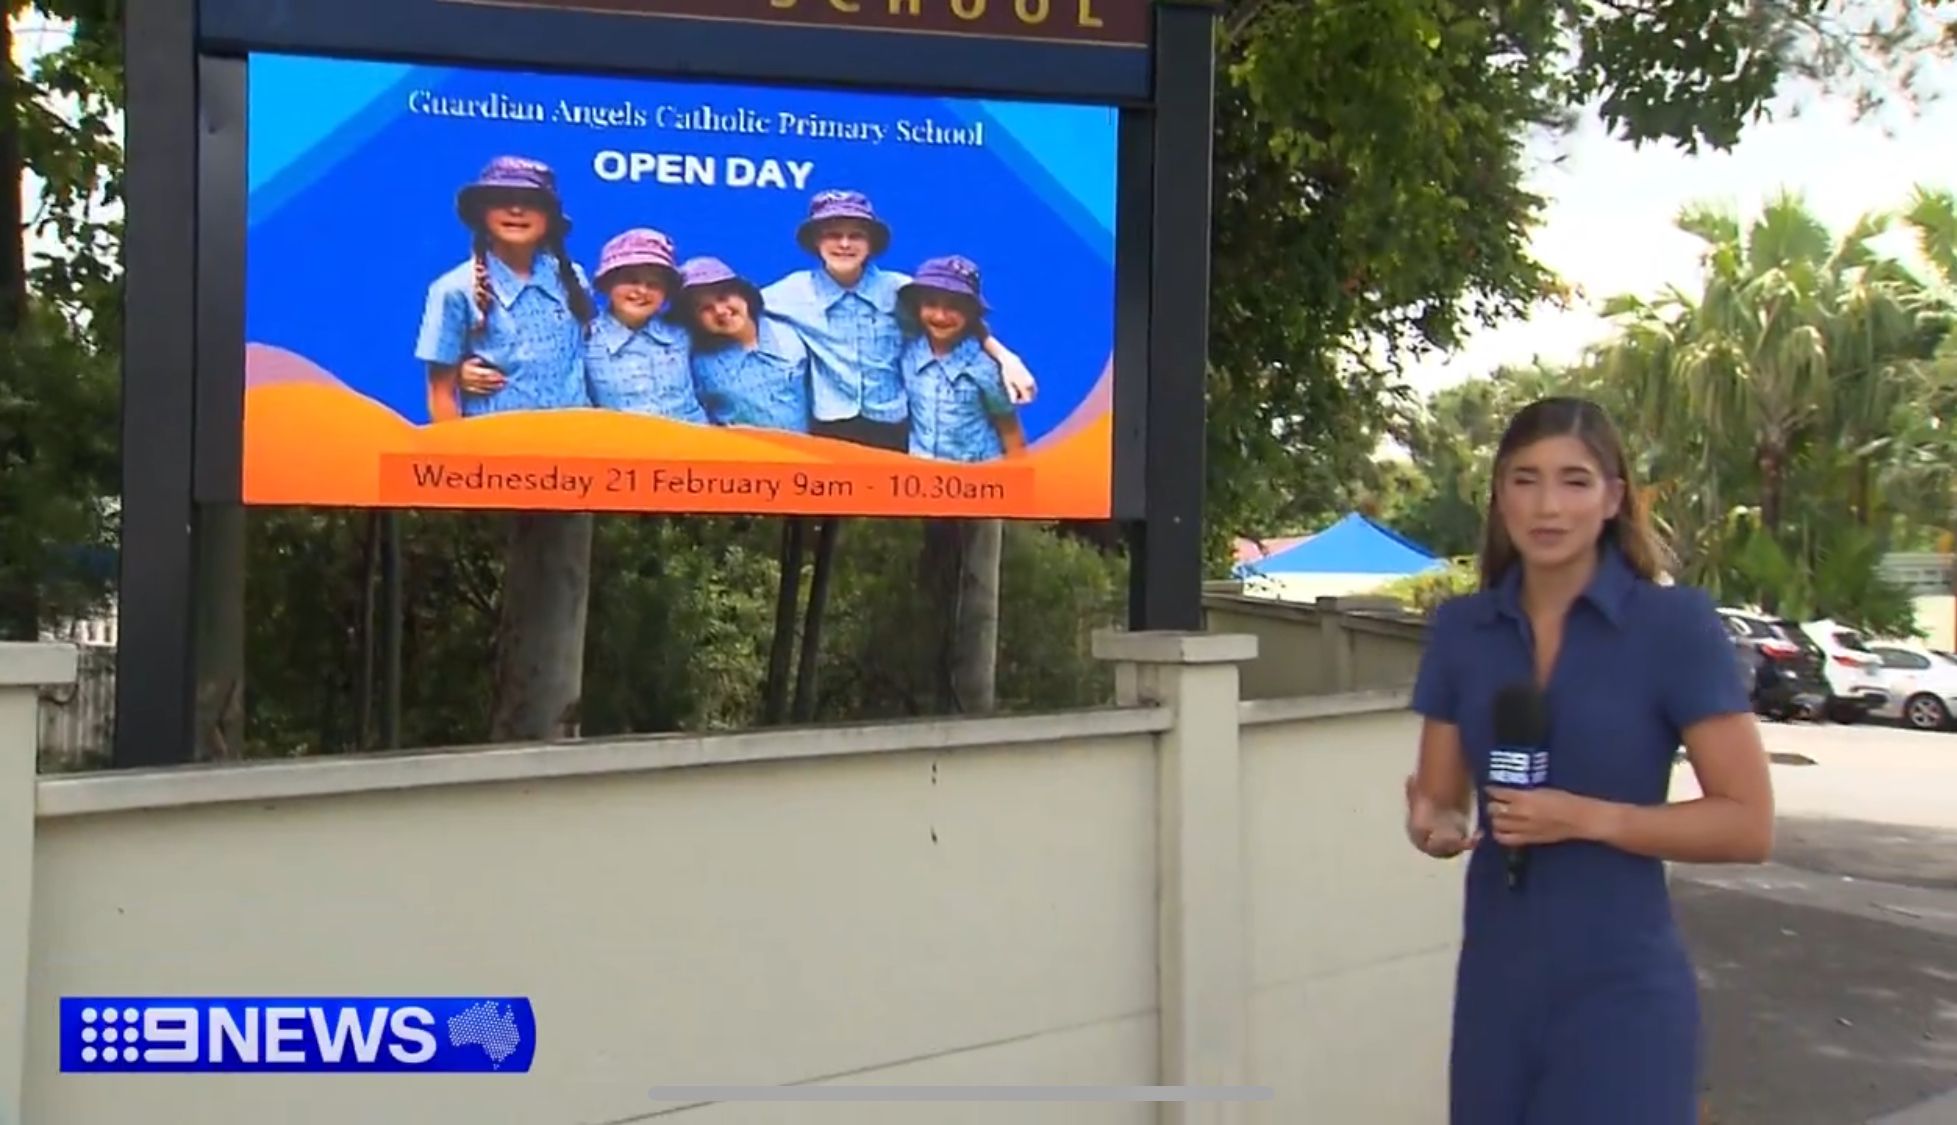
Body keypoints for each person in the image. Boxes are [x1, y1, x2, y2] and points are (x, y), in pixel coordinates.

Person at [1403, 396, 1774, 1125]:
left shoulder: (1673, 626)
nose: (1548, 505)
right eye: (1525, 479)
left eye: (1574, 480)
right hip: (1495, 990)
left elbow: (1747, 824)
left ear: (1612, 498)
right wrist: (1433, 825)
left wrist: (1586, 818)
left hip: (1621, 993)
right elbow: (1442, 800)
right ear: (1499, 495)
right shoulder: (1461, 631)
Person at [761, 189, 1038, 453]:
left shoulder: (902, 290)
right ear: (816, 241)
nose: (844, 244)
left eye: (856, 236)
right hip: (829, 427)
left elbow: (962, 324)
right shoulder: (791, 293)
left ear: (871, 244)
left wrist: (1007, 359)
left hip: (893, 427)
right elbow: (739, 309)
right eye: (833, 235)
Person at [415, 155, 595, 421]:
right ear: (482, 213)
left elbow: (591, 355)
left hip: (577, 437)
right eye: (501, 200)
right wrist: (456, 375)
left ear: (549, 217)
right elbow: (440, 393)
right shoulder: (454, 289)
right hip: (496, 442)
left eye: (531, 202)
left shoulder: (573, 278)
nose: (516, 210)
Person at [896, 255, 1025, 462]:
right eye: (931, 303)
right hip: (921, 471)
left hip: (976, 473)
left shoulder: (984, 367)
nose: (940, 316)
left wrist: (1016, 471)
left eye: (954, 306)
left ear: (971, 312)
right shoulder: (908, 353)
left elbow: (1009, 428)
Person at [583, 228, 708, 424]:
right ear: (607, 284)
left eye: (654, 284)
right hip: (624, 441)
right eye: (631, 280)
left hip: (692, 439)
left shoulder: (682, 335)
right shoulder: (586, 340)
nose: (642, 290)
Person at [676, 256, 811, 433]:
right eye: (705, 308)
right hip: (738, 448)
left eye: (723, 297)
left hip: (803, 446)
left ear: (744, 295)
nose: (720, 311)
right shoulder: (698, 361)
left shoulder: (790, 334)